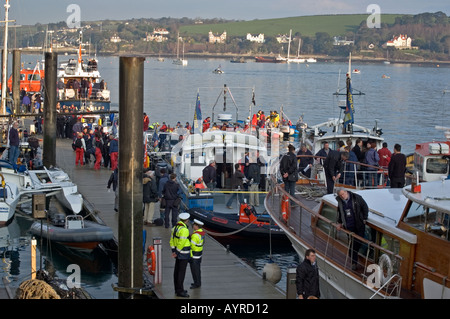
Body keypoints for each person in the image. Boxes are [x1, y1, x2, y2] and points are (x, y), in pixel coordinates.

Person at [335, 188, 369, 270]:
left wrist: (364, 218)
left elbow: (365, 207)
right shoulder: (340, 202)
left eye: (343, 194)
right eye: (341, 195)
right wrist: (339, 223)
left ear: (346, 192)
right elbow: (340, 212)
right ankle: (354, 262)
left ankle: (353, 259)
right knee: (352, 243)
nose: (343, 196)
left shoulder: (356, 198)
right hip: (348, 226)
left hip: (359, 225)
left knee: (357, 243)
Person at [170, 212, 191, 298]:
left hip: (177, 252)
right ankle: (180, 291)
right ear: (186, 220)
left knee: (177, 271)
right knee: (181, 273)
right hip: (183, 253)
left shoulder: (175, 228)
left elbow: (171, 240)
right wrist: (177, 252)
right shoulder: (185, 230)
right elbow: (182, 242)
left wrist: (173, 250)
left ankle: (177, 289)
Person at [189, 219, 205, 289]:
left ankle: (196, 283)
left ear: (196, 226)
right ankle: (198, 282)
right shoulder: (202, 233)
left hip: (194, 254)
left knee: (194, 270)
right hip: (199, 252)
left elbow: (191, 245)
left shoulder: (195, 235)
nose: (193, 226)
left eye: (194, 225)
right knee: (198, 269)